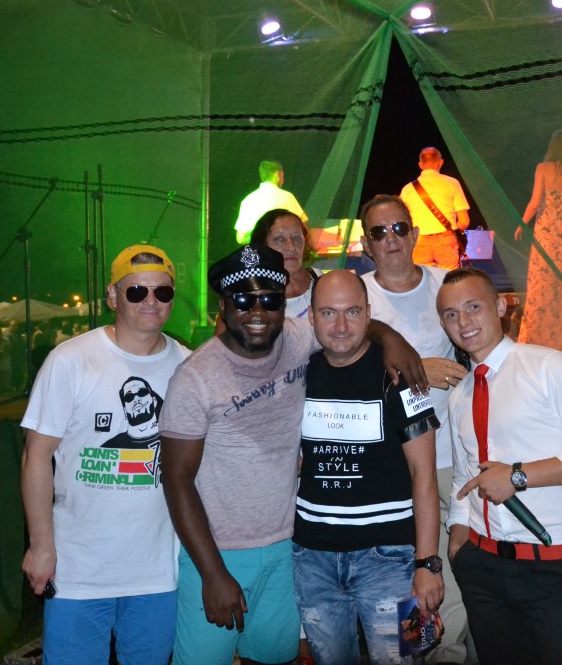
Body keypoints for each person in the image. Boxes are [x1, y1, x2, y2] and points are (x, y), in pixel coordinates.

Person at [160, 244, 426, 665]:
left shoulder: (299, 338)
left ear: (284, 306)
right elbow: (176, 478)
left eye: (270, 300)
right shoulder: (195, 378)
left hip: (290, 549)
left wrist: (392, 338)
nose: (257, 312)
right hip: (220, 550)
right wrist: (212, 572)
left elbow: (344, 321)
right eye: (243, 300)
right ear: (223, 306)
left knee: (274, 656)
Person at [437, 268, 562, 665]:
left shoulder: (548, 366)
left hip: (551, 567)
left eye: (473, 307)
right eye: (451, 314)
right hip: (482, 568)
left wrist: (518, 476)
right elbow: (465, 476)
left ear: (500, 307)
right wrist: (458, 536)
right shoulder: (459, 395)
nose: (463, 321)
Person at [19, 244, 190, 665]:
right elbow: (36, 456)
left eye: (162, 292)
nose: (150, 301)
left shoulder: (188, 367)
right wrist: (41, 546)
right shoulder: (71, 360)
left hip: (158, 576)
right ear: (113, 296)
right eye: (137, 291)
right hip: (78, 572)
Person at [293, 270, 444, 665]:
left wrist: (428, 564)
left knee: (403, 660)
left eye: (353, 312)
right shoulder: (297, 375)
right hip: (312, 558)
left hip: (390, 559)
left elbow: (425, 476)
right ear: (312, 317)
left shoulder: (401, 375)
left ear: (369, 314)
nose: (341, 326)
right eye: (329, 313)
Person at [358, 194, 474, 665]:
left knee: (448, 565)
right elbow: (340, 366)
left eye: (399, 228)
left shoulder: (445, 285)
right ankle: (419, 652)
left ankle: (448, 653)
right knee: (408, 569)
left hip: (451, 454)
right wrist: (416, 367)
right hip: (389, 464)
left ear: (415, 233)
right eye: (379, 232)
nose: (391, 239)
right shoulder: (355, 295)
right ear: (366, 243)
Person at [515, 130, 562, 364]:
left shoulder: (543, 168)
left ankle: (539, 342)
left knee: (543, 287)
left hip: (547, 234)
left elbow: (535, 202)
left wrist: (522, 223)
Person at [400, 147, 471, 269]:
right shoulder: (452, 183)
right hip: (446, 239)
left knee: (422, 279)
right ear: (440, 162)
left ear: (420, 165)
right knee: (449, 279)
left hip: (419, 241)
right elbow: (464, 222)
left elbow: (402, 221)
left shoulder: (407, 189)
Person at [251, 208, 322, 320]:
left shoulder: (321, 281)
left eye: (296, 238)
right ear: (262, 247)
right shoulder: (251, 294)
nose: (291, 247)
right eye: (280, 239)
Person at [235, 160, 308, 245]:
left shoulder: (248, 200)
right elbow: (303, 229)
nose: (283, 180)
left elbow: (240, 238)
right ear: (277, 175)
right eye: (283, 176)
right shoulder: (286, 197)